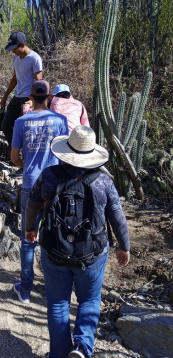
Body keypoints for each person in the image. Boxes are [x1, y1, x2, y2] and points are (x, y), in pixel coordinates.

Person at [25, 125, 130, 358]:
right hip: (92, 254)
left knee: (58, 303)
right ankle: (82, 347)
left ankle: (59, 354)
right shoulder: (104, 182)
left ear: (66, 151)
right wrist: (124, 247)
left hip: (54, 251)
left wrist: (30, 228)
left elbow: (32, 204)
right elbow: (118, 218)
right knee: (90, 300)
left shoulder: (49, 175)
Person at [11, 80, 69, 304]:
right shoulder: (60, 121)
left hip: (30, 185)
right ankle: (54, 290)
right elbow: (65, 156)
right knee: (55, 236)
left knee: (29, 238)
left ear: (31, 97)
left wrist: (30, 169)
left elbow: (15, 157)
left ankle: (25, 289)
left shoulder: (21, 122)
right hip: (55, 185)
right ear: (49, 97)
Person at [1, 32, 43, 147]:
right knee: (5, 125)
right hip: (17, 96)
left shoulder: (34, 58)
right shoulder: (16, 57)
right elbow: (14, 78)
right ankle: (15, 154)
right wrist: (5, 96)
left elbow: (39, 83)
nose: (13, 51)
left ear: (22, 45)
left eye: (14, 48)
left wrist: (33, 101)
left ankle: (24, 161)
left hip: (28, 98)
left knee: (24, 130)